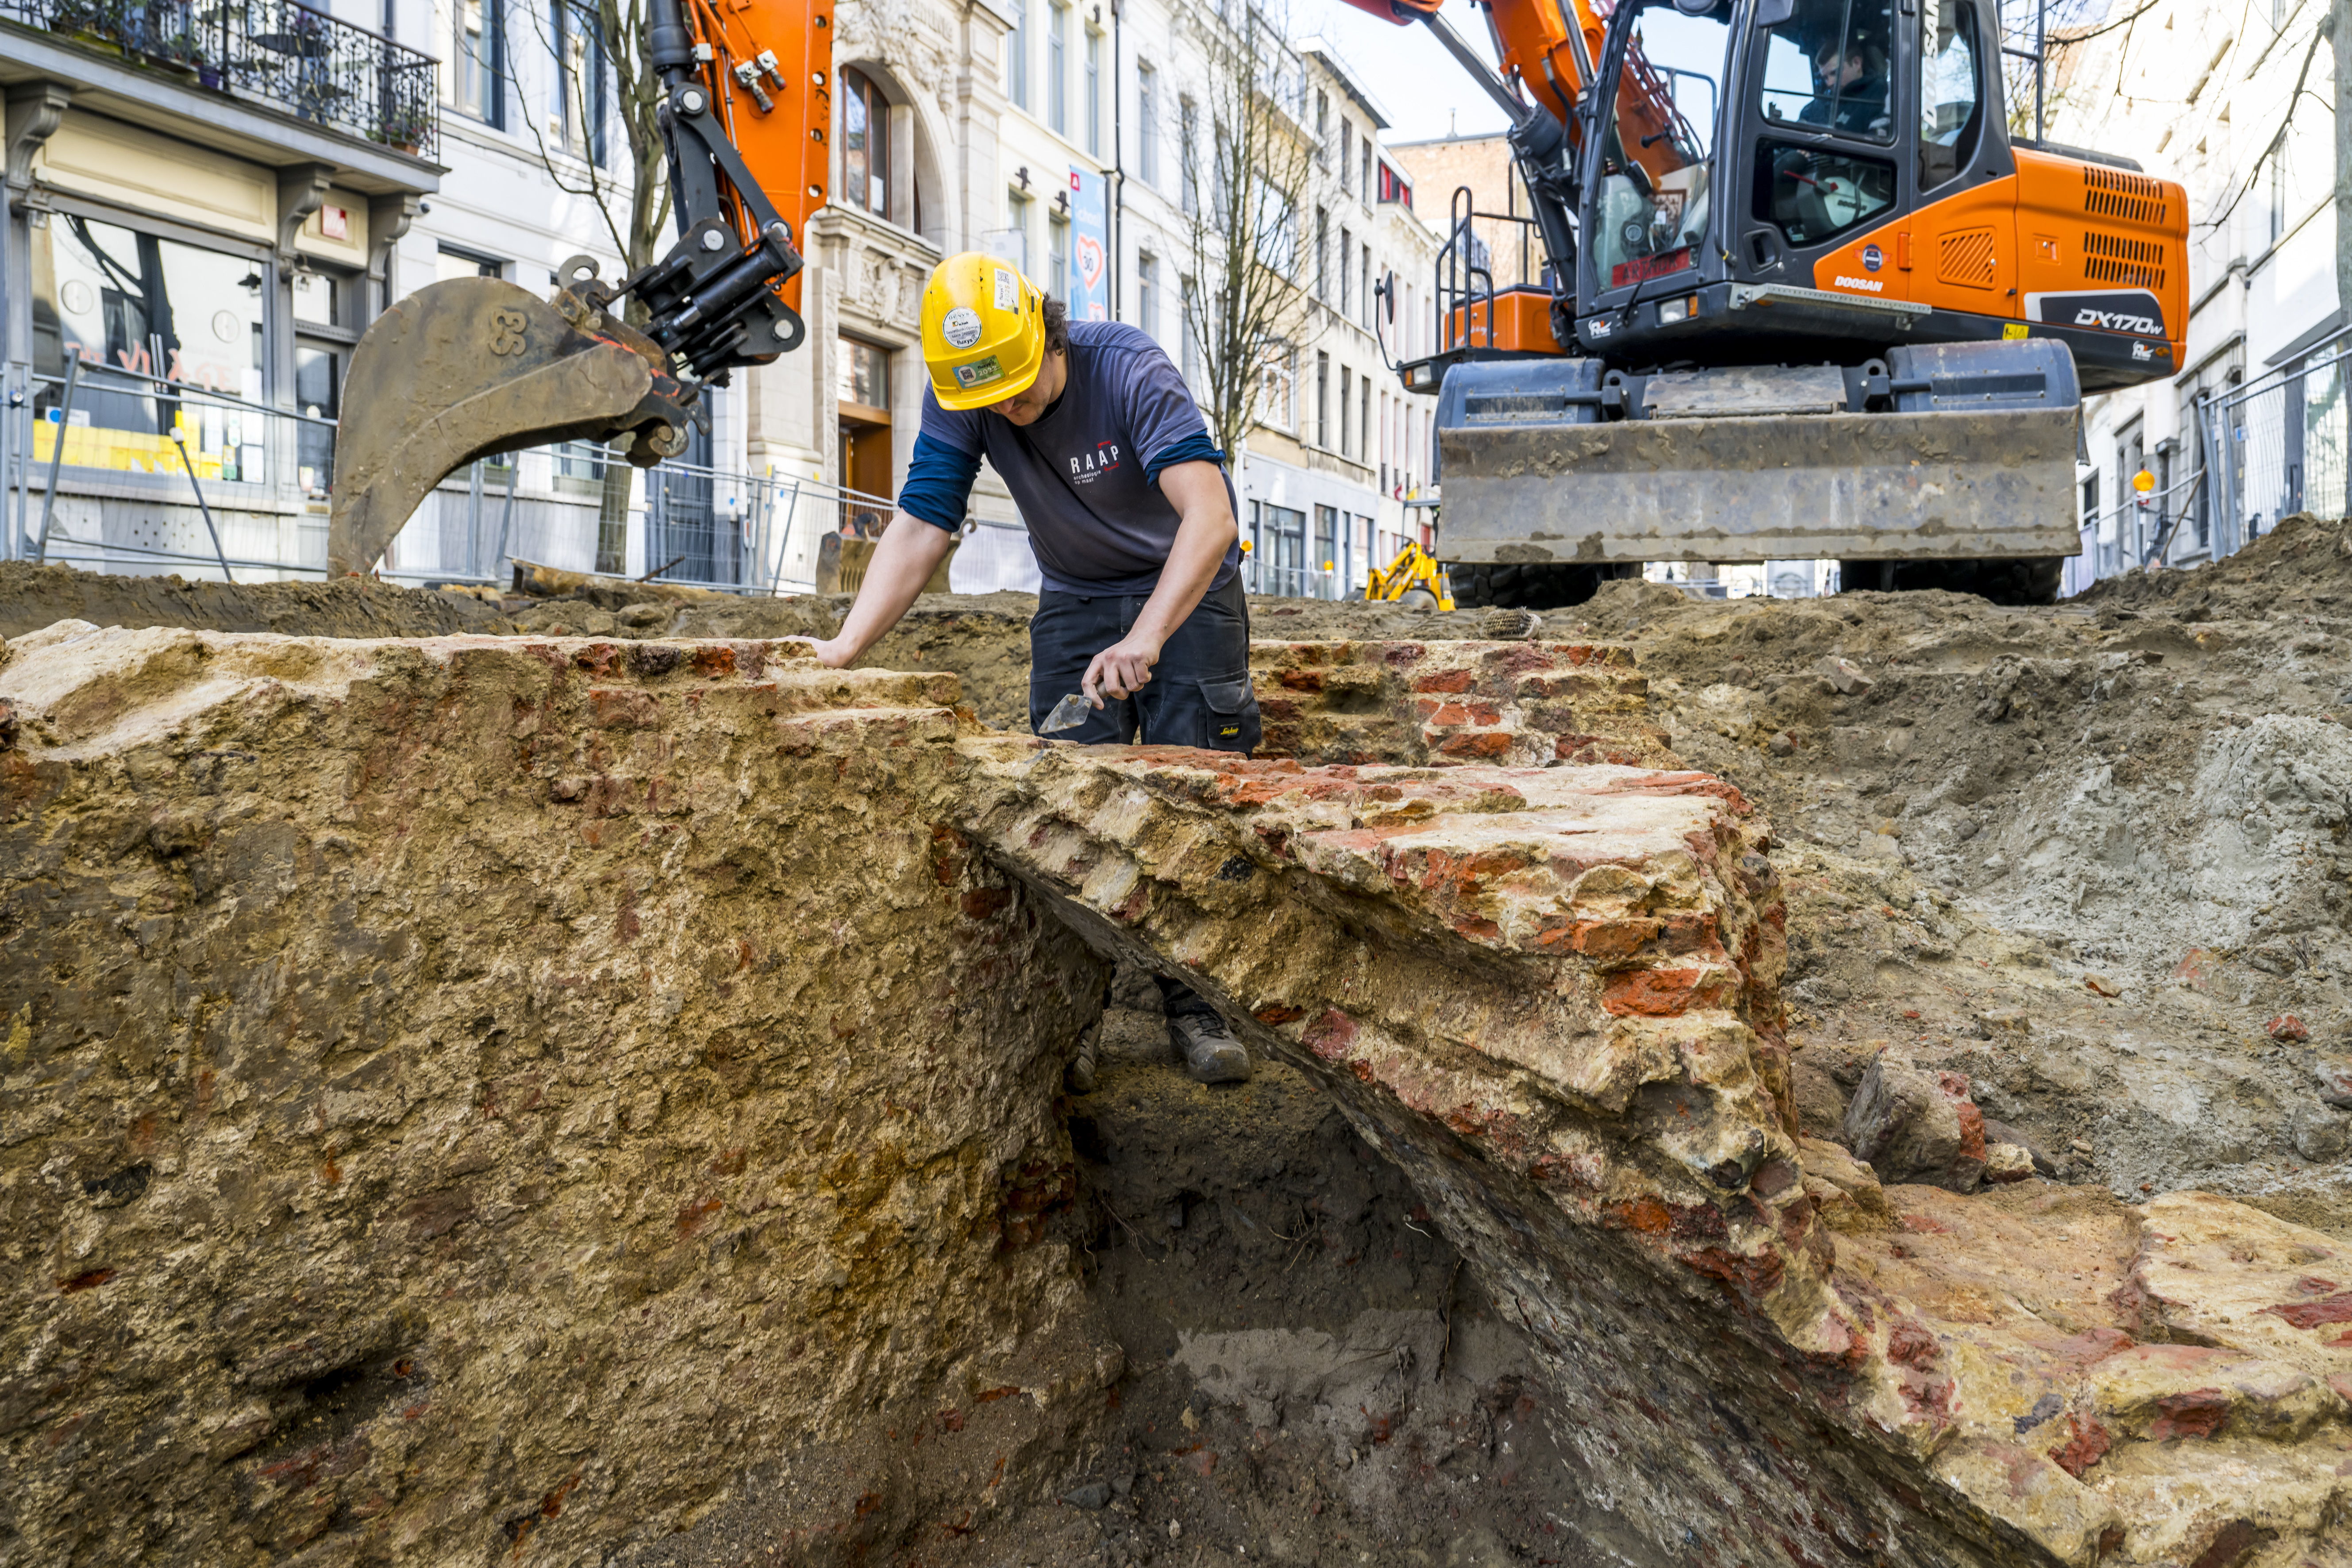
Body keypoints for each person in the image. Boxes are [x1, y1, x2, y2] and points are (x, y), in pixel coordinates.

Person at [806, 252, 1259, 1089]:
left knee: (1196, 793)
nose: (1009, 412)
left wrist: (1151, 635)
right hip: (1078, 595)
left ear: (1051, 338)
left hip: (1185, 590)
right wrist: (843, 647)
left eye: (1022, 390)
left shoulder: (1127, 367)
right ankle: (1074, 1009)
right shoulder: (970, 392)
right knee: (1067, 801)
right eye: (991, 402)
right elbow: (920, 526)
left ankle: (1197, 1002)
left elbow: (1211, 516)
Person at [1802, 38, 1889, 137]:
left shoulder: (1879, 93)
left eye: (1835, 73)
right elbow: (1802, 125)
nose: (1829, 83)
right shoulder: (1824, 100)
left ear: (1857, 63)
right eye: (1825, 77)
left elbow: (1876, 142)